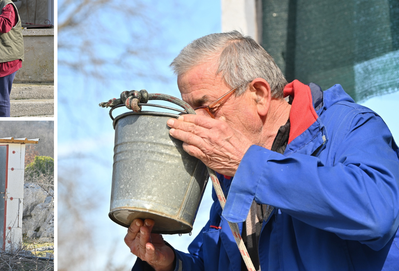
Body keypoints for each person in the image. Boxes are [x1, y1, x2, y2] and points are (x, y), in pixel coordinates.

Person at [124, 31, 399, 270]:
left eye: (207, 107)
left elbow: (376, 214)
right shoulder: (230, 174)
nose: (198, 122)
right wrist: (169, 263)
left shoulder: (349, 126)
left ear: (259, 94)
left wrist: (249, 166)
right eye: (189, 110)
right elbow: (221, 261)